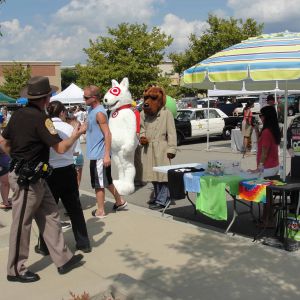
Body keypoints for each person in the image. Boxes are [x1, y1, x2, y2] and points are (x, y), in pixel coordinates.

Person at [0, 76, 85, 283]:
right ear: (47, 98)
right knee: (22, 223)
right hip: (28, 179)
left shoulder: (18, 115)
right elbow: (61, 147)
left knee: (50, 215)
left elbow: (3, 140)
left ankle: (63, 258)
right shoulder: (41, 118)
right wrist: (76, 134)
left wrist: (17, 159)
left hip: (33, 176)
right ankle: (16, 270)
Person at [35, 100, 91, 256]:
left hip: (49, 171)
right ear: (61, 112)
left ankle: (45, 246)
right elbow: (74, 149)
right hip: (67, 169)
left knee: (47, 211)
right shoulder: (68, 127)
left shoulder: (44, 127)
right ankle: (83, 242)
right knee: (75, 209)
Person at [83, 85, 127, 218]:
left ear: (94, 98)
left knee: (99, 184)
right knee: (106, 181)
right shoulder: (91, 109)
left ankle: (101, 211)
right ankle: (120, 201)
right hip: (96, 154)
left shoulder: (100, 113)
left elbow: (107, 134)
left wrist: (106, 155)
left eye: (86, 97)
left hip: (99, 155)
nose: (83, 99)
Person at [140, 85, 177, 210]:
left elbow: (172, 133)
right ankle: (157, 197)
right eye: (146, 98)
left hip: (162, 148)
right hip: (148, 148)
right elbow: (141, 129)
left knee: (163, 176)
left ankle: (162, 200)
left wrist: (172, 149)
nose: (147, 102)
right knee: (153, 176)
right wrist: (142, 137)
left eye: (153, 98)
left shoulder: (167, 114)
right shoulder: (143, 114)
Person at [249, 105, 281, 227]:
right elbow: (262, 143)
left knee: (266, 196)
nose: (260, 118)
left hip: (267, 167)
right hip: (273, 165)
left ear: (266, 117)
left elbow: (264, 151)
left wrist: (260, 166)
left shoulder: (267, 131)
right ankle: (268, 219)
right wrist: (257, 130)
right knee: (268, 195)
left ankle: (266, 221)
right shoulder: (271, 129)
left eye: (261, 116)